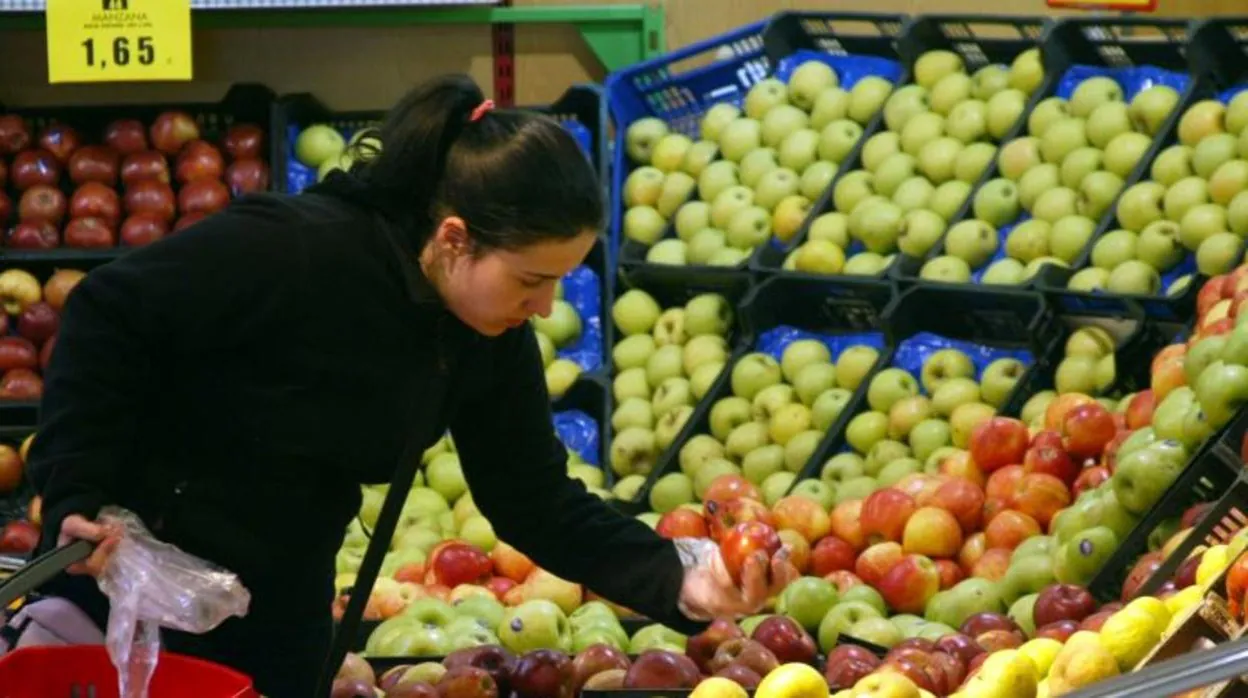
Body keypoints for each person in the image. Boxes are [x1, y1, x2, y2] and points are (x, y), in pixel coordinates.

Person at [22, 74, 796, 697]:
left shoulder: (487, 338)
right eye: (531, 279)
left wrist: (688, 580)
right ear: (455, 238)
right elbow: (109, 311)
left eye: (558, 282)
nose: (546, 307)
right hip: (126, 581)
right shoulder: (293, 252)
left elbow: (535, 498)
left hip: (280, 599)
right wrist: (76, 492)